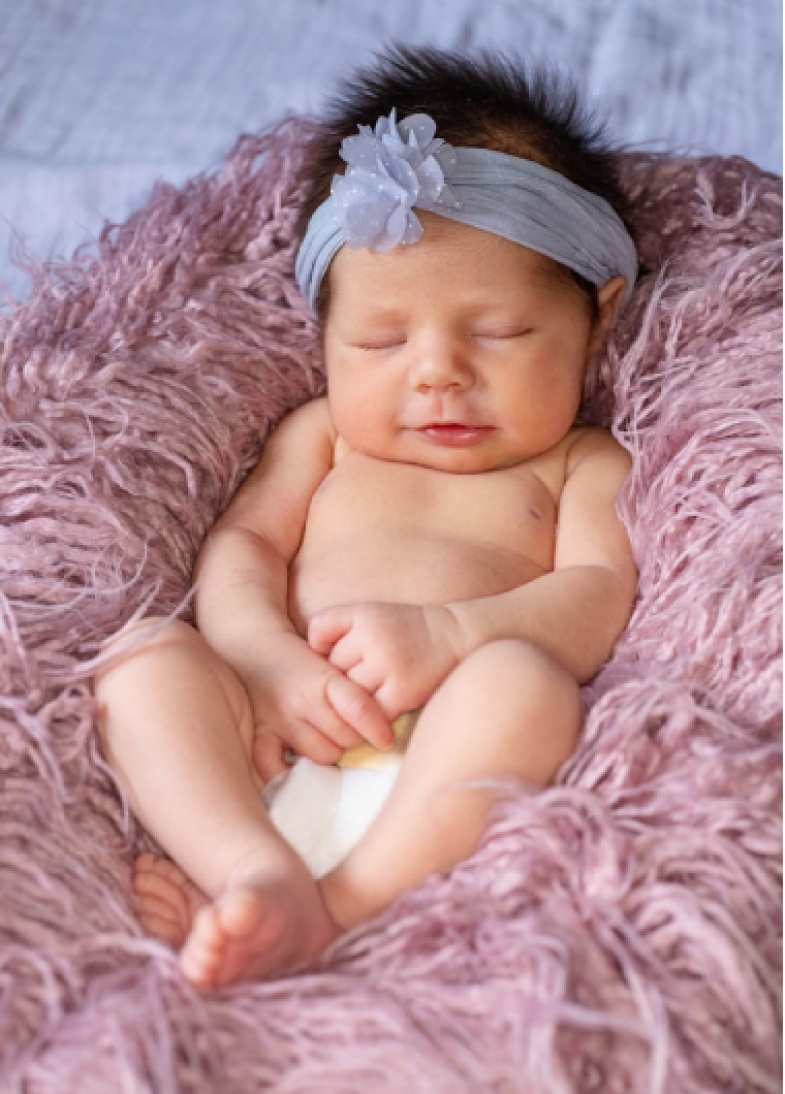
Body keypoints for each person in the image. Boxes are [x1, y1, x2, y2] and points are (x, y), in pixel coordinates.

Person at [95, 45, 638, 990]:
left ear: (599, 316)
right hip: (274, 744)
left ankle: (335, 911)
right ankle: (247, 867)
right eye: (380, 340)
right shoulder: (323, 438)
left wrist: (455, 633)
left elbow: (595, 594)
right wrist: (263, 657)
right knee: (141, 660)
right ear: (324, 337)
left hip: (439, 768)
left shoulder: (578, 459)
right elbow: (247, 545)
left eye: (501, 332)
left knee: (522, 683)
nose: (435, 373)